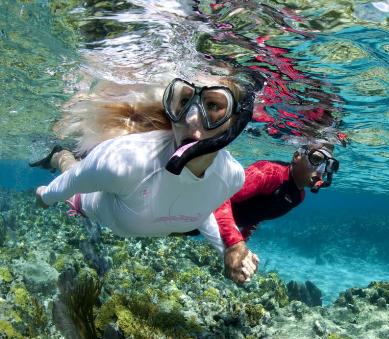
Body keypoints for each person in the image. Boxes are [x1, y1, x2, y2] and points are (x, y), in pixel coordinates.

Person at [31, 71, 261, 284]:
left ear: (236, 121)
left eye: (212, 105)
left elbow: (200, 207)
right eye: (183, 102)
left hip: (132, 215)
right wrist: (46, 197)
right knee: (71, 168)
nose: (190, 119)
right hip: (92, 201)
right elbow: (72, 180)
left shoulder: (232, 177)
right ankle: (59, 154)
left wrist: (228, 250)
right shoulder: (123, 163)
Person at [213, 141, 339, 257]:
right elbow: (221, 199)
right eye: (316, 159)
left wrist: (243, 239)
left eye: (328, 165)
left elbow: (259, 213)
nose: (321, 170)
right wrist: (235, 244)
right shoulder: (269, 173)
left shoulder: (299, 197)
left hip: (216, 225)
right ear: (297, 157)